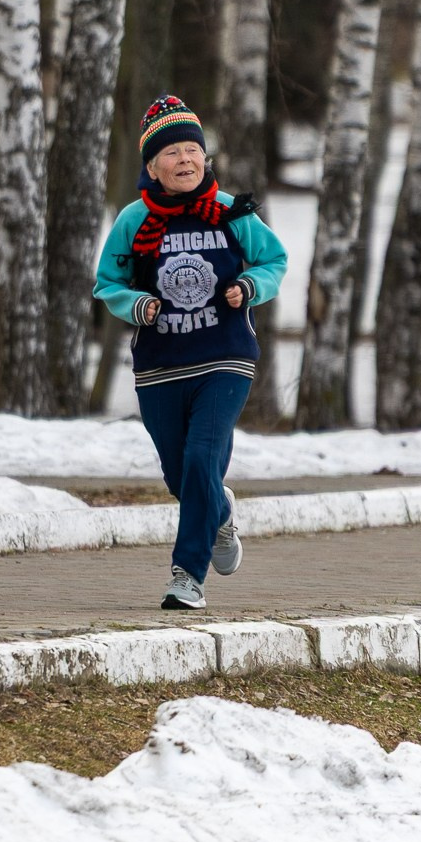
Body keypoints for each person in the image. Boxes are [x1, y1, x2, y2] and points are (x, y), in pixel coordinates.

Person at [91, 96, 288, 611]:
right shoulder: (134, 221)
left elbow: (274, 260)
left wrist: (249, 285)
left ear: (205, 157)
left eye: (192, 150)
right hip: (160, 365)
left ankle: (187, 575)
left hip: (225, 356)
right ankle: (218, 511)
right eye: (172, 152)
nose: (184, 160)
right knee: (183, 476)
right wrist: (137, 304)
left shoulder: (232, 212)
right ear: (152, 166)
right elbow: (107, 282)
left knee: (203, 456)